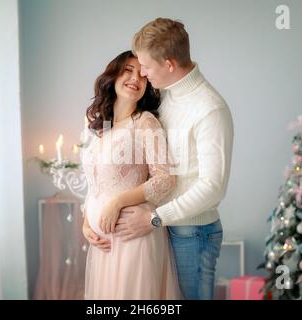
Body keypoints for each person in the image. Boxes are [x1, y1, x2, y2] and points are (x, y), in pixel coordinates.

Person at [114, 18, 234, 300]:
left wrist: (156, 219)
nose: (141, 73)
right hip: (165, 228)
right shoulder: (165, 97)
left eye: (145, 65)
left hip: (192, 234)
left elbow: (213, 186)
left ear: (168, 64)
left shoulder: (210, 109)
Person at [81, 50, 181, 300]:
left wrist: (117, 202)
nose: (135, 78)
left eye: (142, 74)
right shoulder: (101, 127)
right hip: (104, 243)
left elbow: (166, 179)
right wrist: (86, 223)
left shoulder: (145, 122)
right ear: (113, 75)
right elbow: (96, 184)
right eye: (128, 70)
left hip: (133, 237)